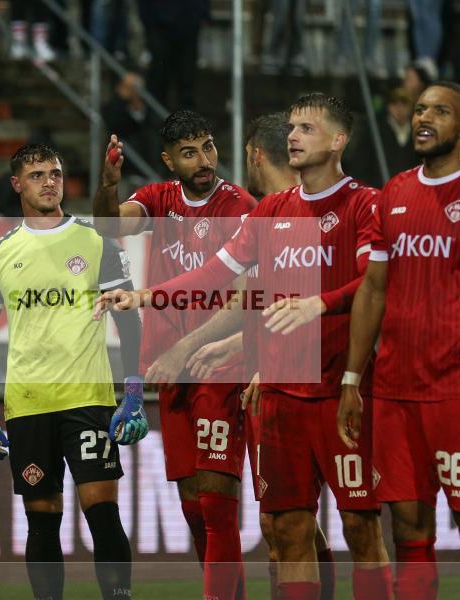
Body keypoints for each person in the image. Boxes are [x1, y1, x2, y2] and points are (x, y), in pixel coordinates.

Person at [95, 95, 394, 600]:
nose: (294, 136)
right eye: (292, 127)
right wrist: (143, 295)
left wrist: (318, 307)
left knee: (361, 528)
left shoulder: (363, 203)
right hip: (278, 394)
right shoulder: (273, 210)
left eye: (307, 128)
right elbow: (215, 276)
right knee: (288, 529)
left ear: (339, 140)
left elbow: (374, 285)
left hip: (333, 387)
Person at [338, 82, 460, 600]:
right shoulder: (394, 192)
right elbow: (373, 290)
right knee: (408, 529)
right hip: (396, 392)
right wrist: (353, 380)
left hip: (459, 392)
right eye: (421, 109)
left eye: (441, 112)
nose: (425, 118)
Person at [0, 143, 145, 600]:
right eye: (37, 175)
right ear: (16, 185)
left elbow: (128, 318)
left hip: (88, 400)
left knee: (102, 511)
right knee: (41, 519)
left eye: (56, 173)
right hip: (28, 404)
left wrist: (135, 388)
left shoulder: (97, 241)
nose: (49, 182)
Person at [92, 110, 255, 600]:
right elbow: (105, 225)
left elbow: (247, 295)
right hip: (171, 369)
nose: (204, 160)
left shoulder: (239, 207)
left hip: (219, 365)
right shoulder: (159, 200)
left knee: (216, 498)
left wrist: (197, 346)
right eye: (190, 152)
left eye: (208, 147)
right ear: (169, 160)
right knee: (192, 505)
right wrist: (108, 183)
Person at [185, 111, 340, 600]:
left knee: (308, 524)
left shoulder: (302, 213)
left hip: (315, 388)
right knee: (282, 524)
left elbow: (260, 300)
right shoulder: (269, 214)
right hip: (270, 380)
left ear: (254, 154)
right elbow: (260, 300)